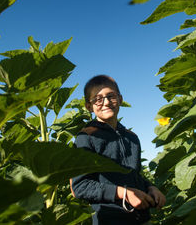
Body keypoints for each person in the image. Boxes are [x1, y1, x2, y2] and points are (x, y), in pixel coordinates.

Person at [71, 75, 166, 225]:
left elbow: (134, 175)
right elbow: (80, 186)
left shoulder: (132, 137)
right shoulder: (86, 137)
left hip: (142, 218)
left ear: (120, 99)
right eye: (98, 99)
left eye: (111, 96)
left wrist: (150, 187)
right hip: (110, 219)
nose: (106, 102)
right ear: (89, 106)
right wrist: (124, 193)